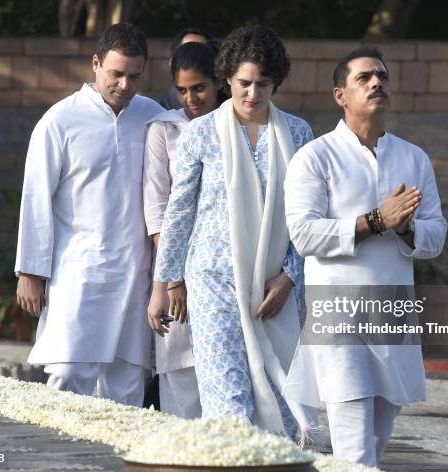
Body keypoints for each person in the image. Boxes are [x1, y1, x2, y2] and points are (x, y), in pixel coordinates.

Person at [283, 46, 447, 467]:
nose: (377, 83)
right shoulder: (315, 157)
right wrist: (375, 220)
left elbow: (437, 235)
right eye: (364, 78)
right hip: (337, 309)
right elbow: (303, 234)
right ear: (340, 95)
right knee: (352, 425)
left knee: (377, 433)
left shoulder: (413, 157)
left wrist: (405, 226)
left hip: (391, 309)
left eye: (383, 77)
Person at [148, 26, 314, 440]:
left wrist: (290, 276)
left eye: (263, 84)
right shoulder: (202, 134)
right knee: (228, 400)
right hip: (213, 281)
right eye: (243, 83)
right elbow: (179, 212)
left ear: (276, 82)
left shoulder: (298, 134)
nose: (252, 93)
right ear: (227, 80)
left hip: (275, 287)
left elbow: (308, 216)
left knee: (281, 399)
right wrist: (170, 281)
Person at [15, 23, 164, 406]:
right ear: (96, 64)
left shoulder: (154, 117)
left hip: (135, 272)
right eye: (116, 73)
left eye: (134, 75)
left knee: (127, 384)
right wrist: (31, 272)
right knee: (67, 374)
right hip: (75, 270)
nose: (125, 84)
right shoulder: (60, 121)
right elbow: (36, 199)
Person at [143, 41, 224, 419]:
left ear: (220, 83)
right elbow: (158, 213)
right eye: (182, 90)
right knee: (181, 385)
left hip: (226, 273)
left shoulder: (238, 129)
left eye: (199, 88)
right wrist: (175, 279)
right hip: (176, 275)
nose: (191, 98)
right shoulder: (164, 129)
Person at [159, 27, 215, 110]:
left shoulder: (232, 111)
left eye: (202, 53)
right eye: (182, 90)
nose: (190, 99)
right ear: (172, 63)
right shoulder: (161, 114)